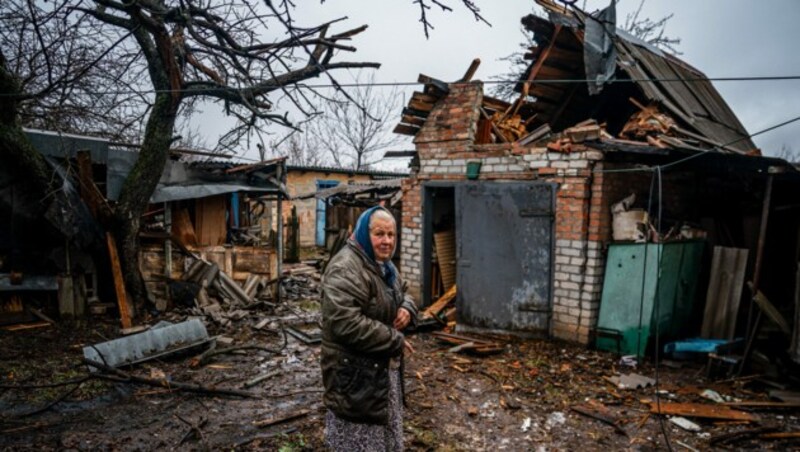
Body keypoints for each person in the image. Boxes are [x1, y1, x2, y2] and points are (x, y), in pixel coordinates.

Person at [321, 206, 417, 452]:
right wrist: (394, 340)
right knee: (358, 441)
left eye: (391, 235)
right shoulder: (345, 267)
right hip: (354, 379)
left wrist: (407, 308)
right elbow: (345, 323)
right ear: (364, 233)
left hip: (378, 375)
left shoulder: (384, 266)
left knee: (382, 438)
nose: (387, 241)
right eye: (379, 234)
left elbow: (404, 291)